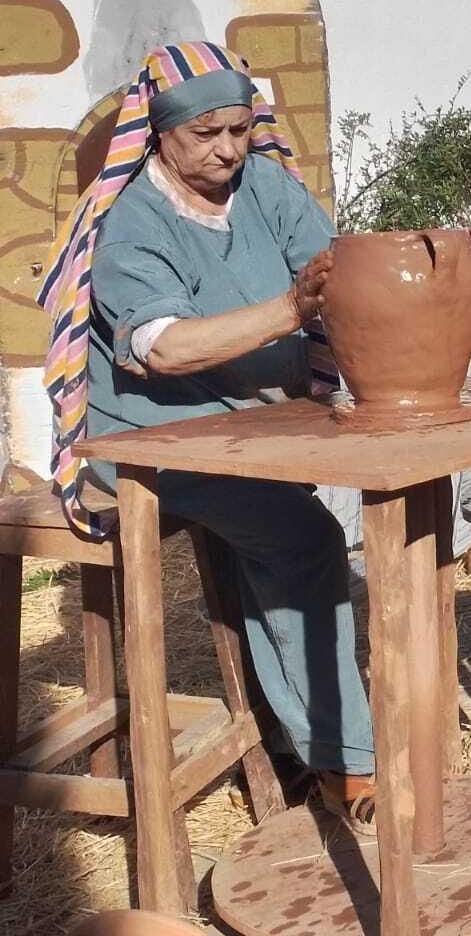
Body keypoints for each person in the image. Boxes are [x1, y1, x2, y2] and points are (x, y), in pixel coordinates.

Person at [36, 42, 377, 833]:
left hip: (246, 426)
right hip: (158, 439)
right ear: (161, 133)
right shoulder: (133, 222)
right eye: (208, 134)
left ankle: (299, 741)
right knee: (305, 541)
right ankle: (344, 763)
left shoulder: (264, 183)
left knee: (376, 506)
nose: (228, 148)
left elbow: (335, 275)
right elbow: (165, 348)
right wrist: (291, 313)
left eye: (239, 128)